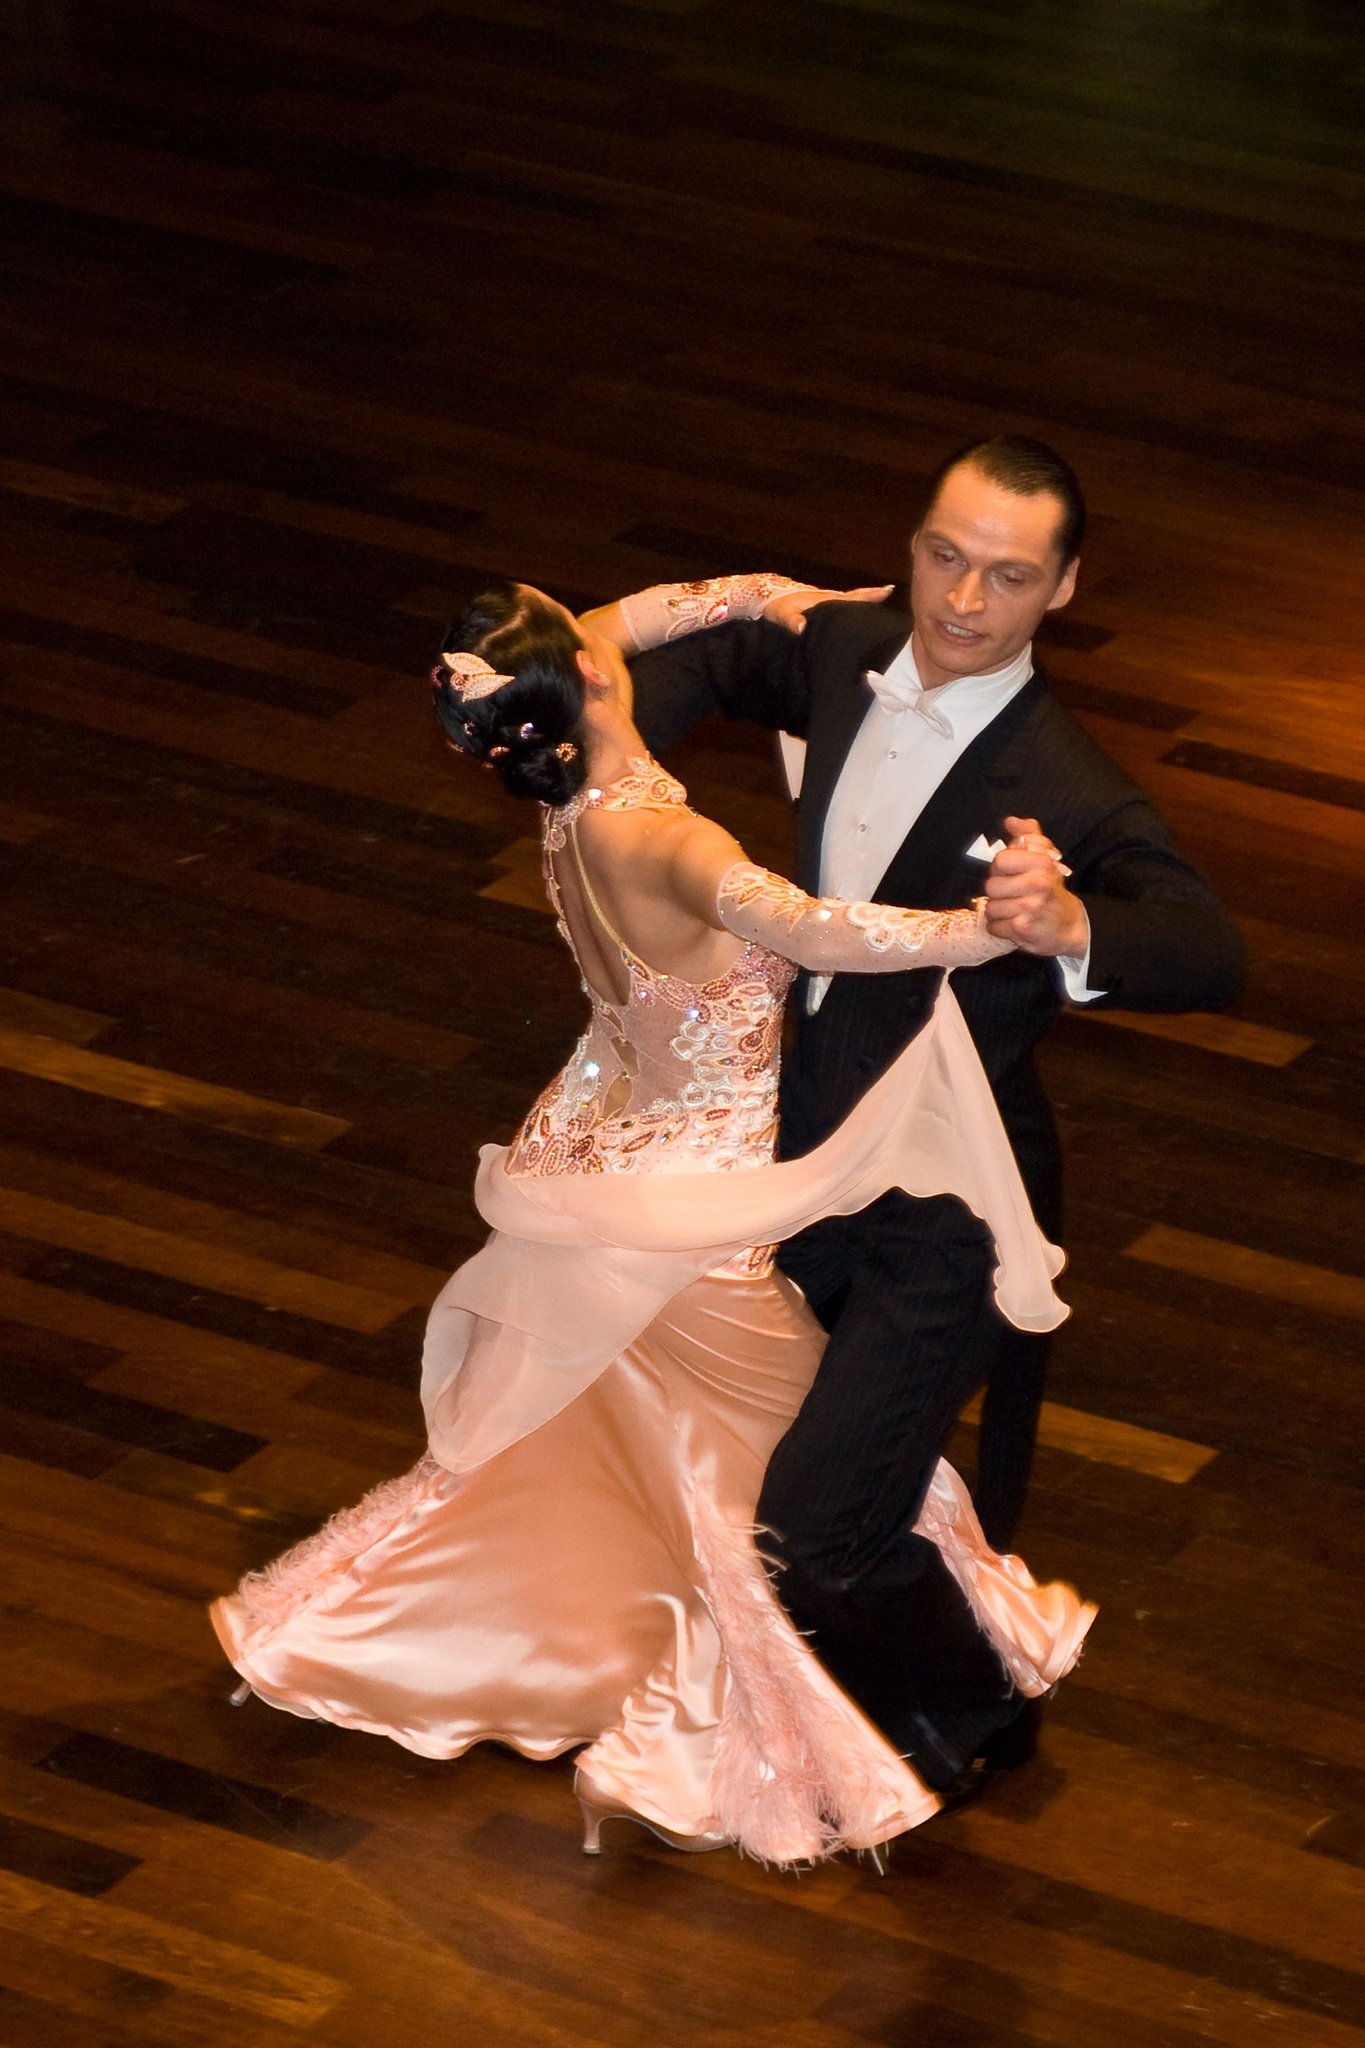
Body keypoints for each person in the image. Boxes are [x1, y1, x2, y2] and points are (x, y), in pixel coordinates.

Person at [211, 571, 1094, 1864]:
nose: (599, 627)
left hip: (593, 1155)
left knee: (629, 1443)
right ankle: (778, 1718)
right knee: (771, 1470)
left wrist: (776, 595)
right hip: (688, 1213)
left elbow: (637, 618)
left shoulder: (562, 773)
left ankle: (459, 1632)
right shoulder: (665, 842)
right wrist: (993, 930)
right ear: (584, 679)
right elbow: (820, 935)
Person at [626, 436, 1244, 1786]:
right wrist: (593, 757)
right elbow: (722, 663)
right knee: (719, 1445)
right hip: (805, 1158)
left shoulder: (1067, 782)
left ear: (1063, 588)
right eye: (943, 557)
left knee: (811, 1524)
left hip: (945, 1209)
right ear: (909, 544)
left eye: (1007, 577)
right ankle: (832, 1698)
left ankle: (976, 1717)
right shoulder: (850, 649)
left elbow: (1209, 949)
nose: (963, 601)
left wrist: (1073, 922)